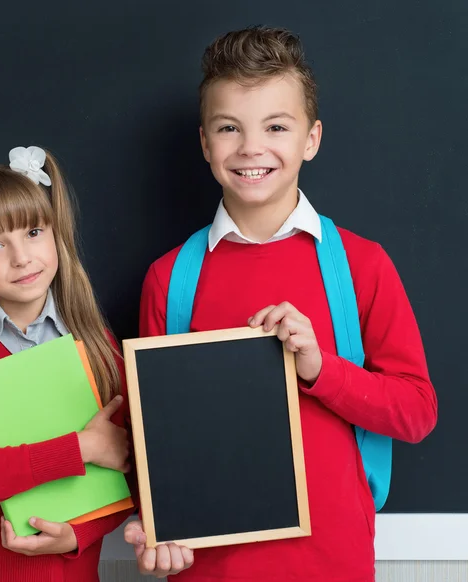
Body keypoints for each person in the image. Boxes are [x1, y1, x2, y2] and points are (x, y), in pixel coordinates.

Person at [124, 26, 438, 581]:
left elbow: (415, 413)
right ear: (205, 143)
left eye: (276, 126)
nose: (250, 148)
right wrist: (148, 519)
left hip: (332, 564)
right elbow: (151, 439)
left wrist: (321, 369)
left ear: (310, 139)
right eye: (229, 128)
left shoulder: (361, 266)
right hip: (208, 570)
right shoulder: (170, 280)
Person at [0, 145, 133, 582]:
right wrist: (81, 448)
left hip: (69, 570)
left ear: (55, 232)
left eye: (33, 232)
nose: (21, 258)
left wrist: (78, 535)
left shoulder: (97, 345)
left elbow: (130, 468)